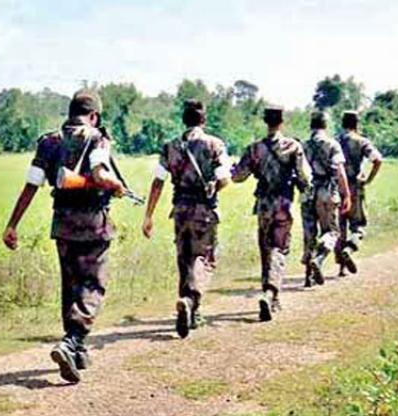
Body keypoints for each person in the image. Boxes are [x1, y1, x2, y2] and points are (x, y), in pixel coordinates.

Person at [2, 90, 126, 383]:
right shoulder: (97, 137)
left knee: (70, 285)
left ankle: (77, 349)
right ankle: (71, 341)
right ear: (94, 115)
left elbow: (32, 184)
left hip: (63, 222)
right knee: (92, 285)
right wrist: (116, 186)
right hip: (93, 222)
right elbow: (99, 174)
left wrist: (12, 225)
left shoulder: (49, 142)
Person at [141, 99, 231, 338]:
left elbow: (158, 181)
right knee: (205, 258)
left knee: (185, 259)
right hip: (204, 210)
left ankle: (189, 306)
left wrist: (148, 215)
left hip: (180, 209)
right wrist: (213, 187)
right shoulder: (214, 144)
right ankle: (190, 302)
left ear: (184, 120)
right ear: (203, 120)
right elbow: (224, 178)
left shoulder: (170, 147)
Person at [231, 106, 311, 322]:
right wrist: (303, 187)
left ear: (265, 122)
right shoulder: (293, 146)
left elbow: (238, 177)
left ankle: (270, 293)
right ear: (282, 122)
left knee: (265, 248)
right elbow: (305, 177)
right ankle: (270, 293)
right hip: (283, 203)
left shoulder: (254, 149)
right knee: (279, 248)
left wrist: (233, 168)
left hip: (263, 205)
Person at [301, 111, 351, 287]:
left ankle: (308, 276)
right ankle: (319, 259)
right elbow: (340, 171)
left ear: (311, 125)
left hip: (307, 193)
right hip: (327, 192)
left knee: (309, 234)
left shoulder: (303, 146)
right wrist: (346, 194)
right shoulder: (332, 145)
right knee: (332, 232)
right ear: (326, 125)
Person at [335, 110, 383, 275]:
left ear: (342, 123)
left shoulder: (335, 142)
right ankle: (349, 248)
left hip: (337, 188)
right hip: (355, 188)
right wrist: (368, 180)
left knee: (339, 228)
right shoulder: (362, 142)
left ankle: (341, 267)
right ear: (357, 123)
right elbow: (377, 160)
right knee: (358, 226)